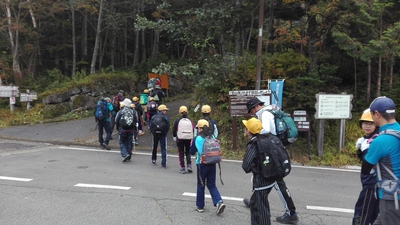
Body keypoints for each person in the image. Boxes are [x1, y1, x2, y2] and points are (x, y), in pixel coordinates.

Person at [244, 97, 299, 224]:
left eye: (251, 111)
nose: (252, 114)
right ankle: (255, 200)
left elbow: (264, 131)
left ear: (255, 107)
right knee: (274, 180)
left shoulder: (264, 114)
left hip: (270, 152)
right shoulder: (272, 109)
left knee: (274, 180)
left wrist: (254, 138)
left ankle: (291, 212)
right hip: (274, 148)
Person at [362, 96, 400, 225]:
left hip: (391, 196)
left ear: (377, 114)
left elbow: (365, 170)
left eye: (371, 114)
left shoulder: (380, 141)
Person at [242, 117, 276, 225]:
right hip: (270, 178)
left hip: (261, 181)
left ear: (249, 131)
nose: (244, 129)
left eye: (246, 127)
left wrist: (255, 167)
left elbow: (246, 166)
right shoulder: (265, 139)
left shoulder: (253, 145)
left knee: (261, 208)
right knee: (256, 203)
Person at [190, 119, 226, 214]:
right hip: (212, 163)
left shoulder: (197, 139)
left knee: (201, 185)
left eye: (198, 128)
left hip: (201, 164)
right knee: (211, 184)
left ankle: (200, 206)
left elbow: (192, 151)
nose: (197, 129)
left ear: (201, 128)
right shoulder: (213, 137)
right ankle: (218, 202)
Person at [352, 109, 379, 225]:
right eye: (365, 123)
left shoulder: (376, 140)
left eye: (371, 123)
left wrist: (364, 150)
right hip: (370, 183)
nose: (367, 126)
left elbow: (370, 162)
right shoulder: (366, 139)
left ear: (376, 124)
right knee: (374, 216)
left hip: (371, 184)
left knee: (362, 213)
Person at [172, 106, 194, 174]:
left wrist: (174, 136)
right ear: (187, 112)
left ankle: (183, 167)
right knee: (188, 151)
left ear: (180, 112)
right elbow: (192, 129)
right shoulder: (190, 120)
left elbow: (174, 129)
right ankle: (189, 165)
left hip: (180, 138)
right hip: (188, 138)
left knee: (181, 152)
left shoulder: (177, 120)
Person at [115, 98, 135, 163]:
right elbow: (136, 120)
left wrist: (118, 128)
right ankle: (129, 154)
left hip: (123, 129)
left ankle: (125, 154)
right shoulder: (133, 111)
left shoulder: (121, 111)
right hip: (131, 129)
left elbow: (116, 120)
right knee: (129, 142)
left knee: (122, 142)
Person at [150, 104, 170, 169]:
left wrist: (152, 131)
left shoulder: (154, 116)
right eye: (165, 110)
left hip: (155, 134)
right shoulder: (165, 117)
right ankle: (163, 164)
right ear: (162, 110)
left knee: (154, 147)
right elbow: (168, 125)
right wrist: (165, 132)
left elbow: (151, 125)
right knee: (163, 148)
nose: (165, 111)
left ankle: (153, 160)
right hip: (163, 134)